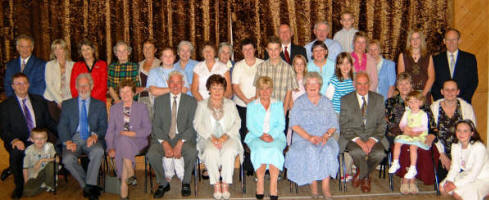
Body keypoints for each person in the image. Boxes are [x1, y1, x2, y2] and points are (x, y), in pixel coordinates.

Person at [0, 73, 57, 199]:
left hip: (40, 140)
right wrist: (14, 140)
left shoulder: (39, 100)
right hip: (20, 141)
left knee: (56, 146)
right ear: (12, 86)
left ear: (29, 85)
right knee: (16, 153)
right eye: (18, 83)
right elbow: (3, 129)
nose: (21, 86)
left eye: (24, 83)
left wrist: (64, 136)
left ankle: (48, 178)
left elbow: (49, 121)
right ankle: (19, 186)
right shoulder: (5, 105)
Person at [285, 72, 339, 199]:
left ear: (320, 85)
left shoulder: (326, 102)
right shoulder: (299, 102)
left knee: (327, 150)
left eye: (315, 83)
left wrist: (326, 135)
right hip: (303, 138)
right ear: (305, 86)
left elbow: (333, 124)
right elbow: (294, 125)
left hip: (323, 138)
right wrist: (309, 137)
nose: (312, 86)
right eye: (309, 83)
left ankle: (326, 187)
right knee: (310, 150)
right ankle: (314, 186)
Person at [147, 71, 198, 198]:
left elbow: (192, 126)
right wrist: (164, 143)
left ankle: (186, 182)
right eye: (172, 82)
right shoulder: (159, 101)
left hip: (183, 138)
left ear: (183, 84)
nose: (175, 85)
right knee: (152, 154)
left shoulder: (191, 101)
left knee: (192, 152)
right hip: (164, 138)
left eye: (178, 82)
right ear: (168, 84)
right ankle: (163, 183)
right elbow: (156, 126)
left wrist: (180, 143)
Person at [385, 72, 438, 193]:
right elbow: (389, 124)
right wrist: (403, 130)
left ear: (411, 85)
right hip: (399, 135)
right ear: (397, 86)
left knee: (421, 147)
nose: (404, 86)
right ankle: (406, 180)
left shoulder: (421, 103)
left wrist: (431, 135)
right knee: (406, 147)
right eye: (400, 83)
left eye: (407, 83)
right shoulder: (390, 102)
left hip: (420, 135)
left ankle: (412, 180)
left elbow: (432, 125)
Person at [193, 74, 243, 200]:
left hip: (228, 136)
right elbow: (197, 124)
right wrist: (211, 137)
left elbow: (237, 122)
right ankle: (216, 184)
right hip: (208, 137)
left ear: (224, 90)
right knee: (211, 151)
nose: (217, 91)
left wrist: (225, 137)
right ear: (209, 89)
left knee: (229, 150)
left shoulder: (230, 104)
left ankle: (225, 183)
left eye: (220, 88)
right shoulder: (202, 104)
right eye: (214, 88)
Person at [58, 73, 108, 200]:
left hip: (91, 138)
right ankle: (88, 185)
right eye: (80, 86)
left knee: (98, 150)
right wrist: (68, 141)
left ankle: (89, 186)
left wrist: (95, 136)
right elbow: (62, 126)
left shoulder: (99, 105)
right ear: (76, 87)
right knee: (67, 159)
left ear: (91, 86)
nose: (83, 89)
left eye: (86, 86)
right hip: (73, 139)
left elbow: (104, 126)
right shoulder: (67, 104)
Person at [339, 72, 387, 193]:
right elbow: (344, 125)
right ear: (355, 84)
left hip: (373, 135)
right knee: (356, 151)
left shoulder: (379, 99)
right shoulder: (345, 99)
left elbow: (382, 124)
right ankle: (366, 178)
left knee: (380, 153)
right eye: (359, 84)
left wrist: (372, 140)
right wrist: (359, 141)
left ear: (370, 84)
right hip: (352, 136)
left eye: (365, 84)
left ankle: (361, 174)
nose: (363, 87)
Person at [105, 80, 151, 200]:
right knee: (122, 140)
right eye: (122, 92)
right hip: (120, 142)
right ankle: (129, 177)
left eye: (128, 91)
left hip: (138, 140)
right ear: (119, 94)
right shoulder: (114, 108)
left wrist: (132, 133)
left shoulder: (141, 107)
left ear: (133, 93)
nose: (125, 94)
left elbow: (147, 129)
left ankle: (126, 183)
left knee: (123, 140)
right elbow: (110, 131)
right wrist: (110, 147)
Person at [245, 76, 286, 200]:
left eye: (267, 89)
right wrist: (261, 135)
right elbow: (249, 125)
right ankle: (260, 183)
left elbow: (281, 124)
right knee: (260, 150)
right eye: (262, 89)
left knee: (275, 150)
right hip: (256, 136)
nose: (265, 92)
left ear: (272, 90)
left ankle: (273, 185)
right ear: (258, 90)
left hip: (276, 136)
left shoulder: (278, 104)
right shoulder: (252, 105)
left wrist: (271, 135)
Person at [431, 80, 476, 181]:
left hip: (461, 151)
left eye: (453, 90)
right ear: (442, 91)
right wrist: (441, 154)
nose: (450, 92)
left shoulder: (466, 108)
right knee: (443, 180)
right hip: (441, 151)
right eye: (447, 90)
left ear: (458, 92)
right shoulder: (434, 107)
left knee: (463, 180)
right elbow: (430, 134)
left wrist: (458, 156)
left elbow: (471, 133)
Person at [232, 38, 264, 175]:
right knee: (244, 135)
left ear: (255, 50)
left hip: (259, 105)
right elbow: (235, 86)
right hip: (241, 106)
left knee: (257, 134)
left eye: (250, 49)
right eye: (245, 50)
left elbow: (263, 83)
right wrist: (246, 100)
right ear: (241, 51)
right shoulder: (238, 66)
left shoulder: (262, 64)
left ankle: (259, 164)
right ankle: (247, 165)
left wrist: (255, 99)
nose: (248, 52)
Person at [439, 120, 489, 200]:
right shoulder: (455, 146)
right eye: (459, 130)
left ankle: (485, 193)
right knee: (442, 187)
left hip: (482, 178)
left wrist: (454, 184)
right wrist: (449, 181)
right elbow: (455, 168)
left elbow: (474, 174)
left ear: (472, 133)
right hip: (467, 175)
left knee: (458, 193)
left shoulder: (479, 147)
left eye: (465, 131)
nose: (461, 134)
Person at [389, 91, 430, 179]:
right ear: (407, 103)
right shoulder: (407, 113)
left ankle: (413, 167)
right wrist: (405, 129)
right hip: (408, 134)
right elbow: (402, 124)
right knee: (397, 142)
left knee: (413, 147)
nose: (413, 104)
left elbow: (424, 127)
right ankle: (395, 162)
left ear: (420, 102)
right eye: (411, 102)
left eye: (415, 101)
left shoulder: (423, 114)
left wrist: (414, 131)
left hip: (419, 135)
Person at [432, 28, 478, 103]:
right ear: (444, 41)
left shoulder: (470, 58)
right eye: (448, 40)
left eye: (454, 39)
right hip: (441, 103)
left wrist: (461, 101)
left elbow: (473, 81)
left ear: (459, 41)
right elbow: (433, 83)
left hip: (463, 103)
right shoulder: (436, 60)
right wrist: (441, 100)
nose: (451, 42)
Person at [254, 36, 298, 114]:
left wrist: (283, 112)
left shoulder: (288, 69)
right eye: (270, 49)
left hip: (280, 110)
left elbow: (289, 93)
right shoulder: (260, 67)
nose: (273, 52)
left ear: (281, 49)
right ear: (267, 50)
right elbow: (258, 91)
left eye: (276, 49)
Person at [397, 29, 435, 102]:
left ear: (421, 40)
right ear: (409, 41)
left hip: (424, 93)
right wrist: (410, 93)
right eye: (412, 39)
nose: (415, 41)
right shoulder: (402, 56)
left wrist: (423, 94)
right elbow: (401, 77)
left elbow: (431, 77)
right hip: (407, 94)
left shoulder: (428, 56)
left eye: (417, 38)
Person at [44, 39, 75, 122]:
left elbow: (74, 85)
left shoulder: (73, 65)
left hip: (69, 101)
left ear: (65, 50)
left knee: (68, 125)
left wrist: (66, 102)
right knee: (55, 126)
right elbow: (49, 85)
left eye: (60, 48)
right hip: (52, 100)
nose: (58, 51)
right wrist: (60, 101)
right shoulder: (49, 65)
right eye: (55, 49)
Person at [22, 128, 57, 197]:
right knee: (27, 192)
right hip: (35, 174)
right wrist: (26, 183)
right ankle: (43, 184)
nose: (40, 141)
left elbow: (57, 159)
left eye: (43, 138)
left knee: (51, 165)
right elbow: (25, 168)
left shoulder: (49, 146)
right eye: (37, 138)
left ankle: (49, 183)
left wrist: (42, 160)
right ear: (32, 139)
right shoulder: (29, 150)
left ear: (46, 138)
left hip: (47, 171)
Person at [287, 55, 307, 145]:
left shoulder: (308, 80)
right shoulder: (290, 79)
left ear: (305, 65)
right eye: (297, 64)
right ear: (293, 66)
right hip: (294, 113)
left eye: (301, 64)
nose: (299, 66)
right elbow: (289, 100)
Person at [138, 39, 161, 116]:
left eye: (150, 47)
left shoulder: (161, 64)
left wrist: (144, 88)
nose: (147, 50)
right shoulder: (139, 65)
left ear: (155, 50)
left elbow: (162, 85)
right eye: (145, 47)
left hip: (156, 100)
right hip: (141, 99)